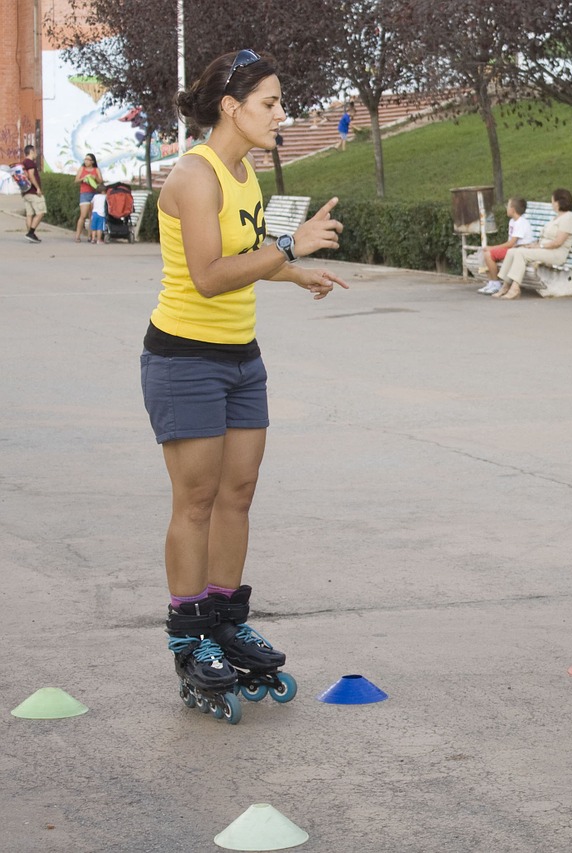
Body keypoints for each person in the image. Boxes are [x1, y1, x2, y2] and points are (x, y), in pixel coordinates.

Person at [142, 48, 347, 723]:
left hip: (239, 356)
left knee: (238, 493)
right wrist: (293, 250)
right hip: (184, 358)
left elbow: (247, 256)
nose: (281, 116)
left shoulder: (243, 174)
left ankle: (226, 618)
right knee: (195, 497)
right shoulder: (194, 178)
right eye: (271, 103)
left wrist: (297, 274)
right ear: (232, 108)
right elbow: (207, 274)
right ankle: (187, 633)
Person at [493, 188, 572, 300]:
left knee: (521, 253)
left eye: (552, 201)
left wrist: (539, 246)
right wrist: (533, 245)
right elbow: (545, 239)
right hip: (545, 250)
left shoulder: (568, 218)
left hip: (556, 253)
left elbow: (558, 242)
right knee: (513, 251)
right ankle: (505, 285)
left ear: (558, 202)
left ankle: (515, 288)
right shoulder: (556, 218)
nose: (551, 203)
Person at [477, 197, 536, 294]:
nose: (506, 208)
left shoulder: (521, 223)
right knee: (486, 253)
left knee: (488, 254)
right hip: (512, 249)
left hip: (519, 249)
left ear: (513, 210)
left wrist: (492, 248)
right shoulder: (512, 221)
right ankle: (491, 282)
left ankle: (496, 284)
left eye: (507, 206)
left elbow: (511, 243)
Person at [73, 153, 103, 242]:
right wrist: (84, 178)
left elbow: (101, 181)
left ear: (92, 161)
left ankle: (90, 236)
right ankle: (77, 236)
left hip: (94, 193)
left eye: (88, 159)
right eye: (85, 159)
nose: (86, 161)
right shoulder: (82, 169)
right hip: (85, 193)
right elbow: (76, 180)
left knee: (92, 216)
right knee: (83, 215)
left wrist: (95, 177)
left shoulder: (96, 169)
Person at [20, 145, 44, 243]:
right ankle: (31, 233)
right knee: (41, 212)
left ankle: (31, 235)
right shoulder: (30, 163)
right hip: (33, 192)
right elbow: (31, 176)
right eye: (35, 151)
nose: (36, 153)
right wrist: (38, 188)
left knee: (29, 214)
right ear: (31, 151)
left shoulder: (23, 163)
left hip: (26, 192)